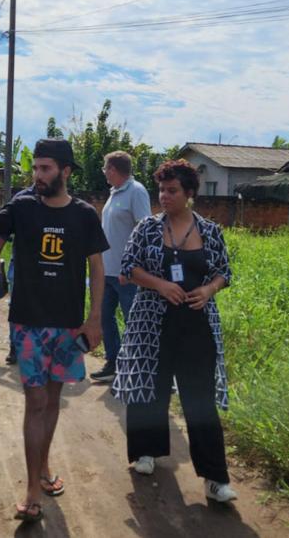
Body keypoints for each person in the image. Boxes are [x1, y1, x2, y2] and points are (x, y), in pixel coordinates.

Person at [0, 139, 108, 522]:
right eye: (36, 168)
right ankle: (33, 488)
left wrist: (95, 318)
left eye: (46, 169)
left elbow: (96, 268)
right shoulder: (23, 206)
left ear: (65, 171)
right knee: (35, 403)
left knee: (52, 401)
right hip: (28, 321)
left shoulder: (84, 215)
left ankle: (43, 467)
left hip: (67, 324)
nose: (38, 175)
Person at [112, 159, 238, 503]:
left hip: (196, 325)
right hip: (151, 323)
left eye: (172, 190)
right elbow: (128, 267)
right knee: (149, 389)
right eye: (161, 190)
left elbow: (223, 271)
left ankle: (215, 479)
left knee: (200, 401)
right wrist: (160, 285)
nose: (164, 196)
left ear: (190, 194)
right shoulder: (148, 229)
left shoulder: (210, 231)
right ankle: (146, 452)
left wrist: (209, 289)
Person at [90, 151, 151, 382]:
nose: (104, 173)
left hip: (127, 274)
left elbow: (144, 230)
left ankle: (135, 368)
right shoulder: (114, 193)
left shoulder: (136, 191)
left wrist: (134, 266)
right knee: (105, 317)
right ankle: (113, 361)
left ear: (113, 169)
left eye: (106, 169)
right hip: (107, 271)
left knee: (132, 321)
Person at [0, 184, 34, 365]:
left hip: (49, 266)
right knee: (17, 306)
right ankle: (16, 347)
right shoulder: (22, 200)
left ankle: (36, 346)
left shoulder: (60, 200)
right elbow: (4, 230)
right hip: (21, 265)